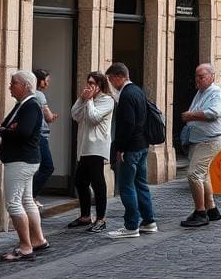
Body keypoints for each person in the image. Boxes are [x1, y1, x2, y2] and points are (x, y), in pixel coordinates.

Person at [0, 70, 48, 261]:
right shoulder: (22, 105)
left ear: (25, 86)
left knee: (13, 203)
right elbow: (14, 129)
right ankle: (38, 239)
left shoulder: (30, 106)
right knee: (27, 200)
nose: (10, 86)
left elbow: (23, 133)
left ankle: (25, 246)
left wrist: (2, 131)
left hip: (21, 160)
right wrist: (4, 130)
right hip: (24, 159)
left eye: (13, 83)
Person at [105, 62, 157, 238]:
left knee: (127, 186)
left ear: (120, 76)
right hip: (142, 145)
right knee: (141, 184)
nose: (111, 83)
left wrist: (120, 148)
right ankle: (149, 221)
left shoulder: (127, 95)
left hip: (131, 148)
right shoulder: (138, 91)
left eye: (111, 79)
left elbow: (127, 125)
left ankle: (131, 225)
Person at [179, 63, 221, 227]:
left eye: (201, 76)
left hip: (209, 140)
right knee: (203, 175)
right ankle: (211, 209)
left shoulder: (217, 92)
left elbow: (213, 113)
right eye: (196, 77)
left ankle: (200, 212)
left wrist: (191, 115)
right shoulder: (201, 92)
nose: (198, 80)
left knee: (194, 175)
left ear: (212, 76)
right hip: (199, 140)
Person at [66, 72, 115, 233]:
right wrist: (82, 99)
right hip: (84, 147)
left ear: (100, 85)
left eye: (92, 83)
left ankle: (101, 219)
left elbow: (94, 118)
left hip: (97, 147)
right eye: (88, 82)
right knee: (80, 181)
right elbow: (75, 114)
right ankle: (86, 216)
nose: (89, 85)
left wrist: (89, 100)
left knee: (97, 183)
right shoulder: (88, 100)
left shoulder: (107, 101)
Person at [31, 69, 58, 203]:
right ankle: (31, 195)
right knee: (48, 167)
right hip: (40, 135)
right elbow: (48, 117)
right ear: (39, 81)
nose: (47, 84)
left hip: (34, 135)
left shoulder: (29, 94)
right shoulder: (39, 95)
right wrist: (52, 117)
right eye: (46, 81)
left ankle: (30, 196)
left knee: (36, 166)